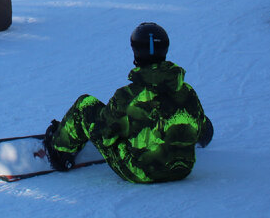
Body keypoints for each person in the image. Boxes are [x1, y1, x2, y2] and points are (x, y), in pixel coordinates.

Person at [41, 22, 213, 183]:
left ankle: (60, 150)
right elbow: (201, 129)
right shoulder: (187, 91)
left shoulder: (128, 95)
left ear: (136, 51)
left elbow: (103, 135)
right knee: (182, 113)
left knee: (85, 104)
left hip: (140, 172)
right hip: (183, 170)